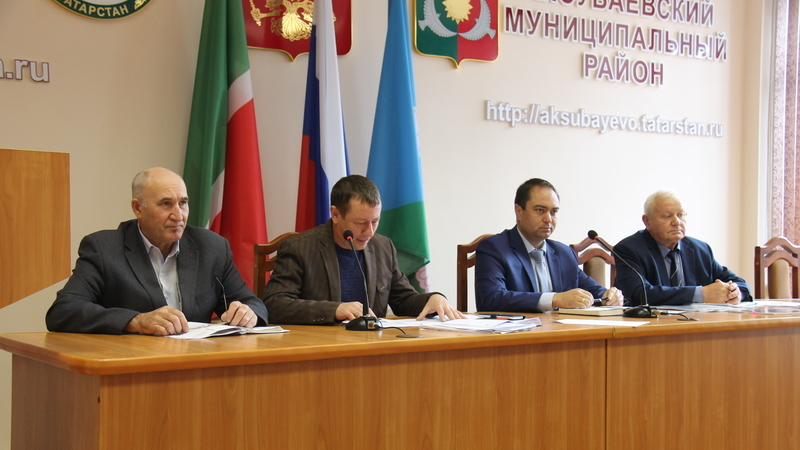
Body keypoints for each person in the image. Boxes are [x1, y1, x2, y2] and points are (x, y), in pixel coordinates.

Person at [46, 167, 268, 335]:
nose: (178, 215)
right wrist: (136, 321)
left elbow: (253, 303)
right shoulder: (104, 248)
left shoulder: (211, 247)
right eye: (165, 204)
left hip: (195, 363)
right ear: (138, 208)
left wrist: (247, 313)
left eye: (183, 203)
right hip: (132, 365)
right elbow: (63, 311)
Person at [262, 175, 465, 324]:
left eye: (375, 221)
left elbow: (403, 300)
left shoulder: (383, 246)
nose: (369, 232)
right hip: (319, 347)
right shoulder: (300, 248)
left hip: (371, 346)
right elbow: (274, 304)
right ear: (335, 214)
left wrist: (432, 298)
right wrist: (334, 310)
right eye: (360, 222)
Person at [475, 178, 624, 312]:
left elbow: (592, 290)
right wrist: (554, 299)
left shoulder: (563, 253)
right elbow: (491, 298)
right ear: (518, 211)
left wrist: (609, 296)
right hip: (517, 332)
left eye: (554, 212)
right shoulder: (494, 248)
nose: (548, 219)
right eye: (540, 210)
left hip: (560, 330)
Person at [613, 190, 752, 306]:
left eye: (681, 215)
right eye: (667, 216)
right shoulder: (629, 249)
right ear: (647, 221)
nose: (676, 222)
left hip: (698, 323)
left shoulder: (700, 249)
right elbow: (638, 294)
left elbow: (740, 283)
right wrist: (701, 294)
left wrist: (735, 293)